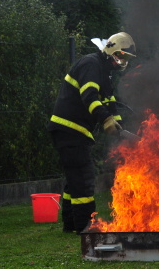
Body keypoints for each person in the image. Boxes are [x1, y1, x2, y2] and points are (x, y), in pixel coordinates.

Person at [47, 32, 136, 233]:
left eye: (126, 58)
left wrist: (123, 135)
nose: (122, 61)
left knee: (74, 179)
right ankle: (85, 226)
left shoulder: (104, 73)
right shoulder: (91, 64)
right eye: (121, 56)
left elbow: (111, 105)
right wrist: (105, 119)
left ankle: (70, 224)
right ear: (112, 50)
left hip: (72, 131)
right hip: (69, 130)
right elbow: (89, 96)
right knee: (83, 179)